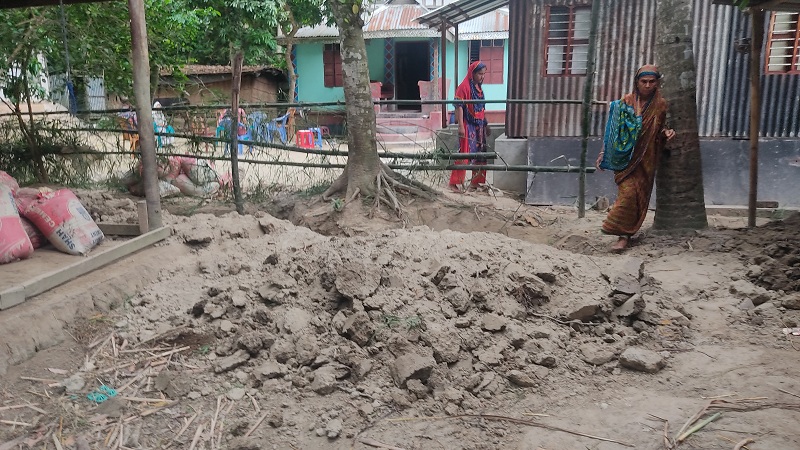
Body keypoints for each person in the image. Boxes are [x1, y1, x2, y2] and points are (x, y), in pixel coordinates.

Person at [595, 64, 676, 252]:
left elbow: (658, 131)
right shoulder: (625, 102)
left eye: (651, 82)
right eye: (643, 81)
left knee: (639, 197)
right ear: (636, 82)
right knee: (628, 193)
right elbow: (613, 131)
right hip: (625, 159)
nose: (647, 85)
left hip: (646, 159)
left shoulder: (660, 105)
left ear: (657, 83)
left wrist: (666, 133)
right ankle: (620, 234)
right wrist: (603, 153)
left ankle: (625, 236)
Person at [449, 60, 491, 192]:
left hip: (479, 126)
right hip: (468, 125)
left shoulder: (478, 88)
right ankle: (454, 183)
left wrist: (486, 123)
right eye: (479, 74)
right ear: (472, 73)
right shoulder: (464, 87)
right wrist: (460, 126)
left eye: (484, 74)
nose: (482, 76)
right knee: (465, 153)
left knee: (480, 154)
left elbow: (481, 108)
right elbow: (459, 107)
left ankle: (476, 182)